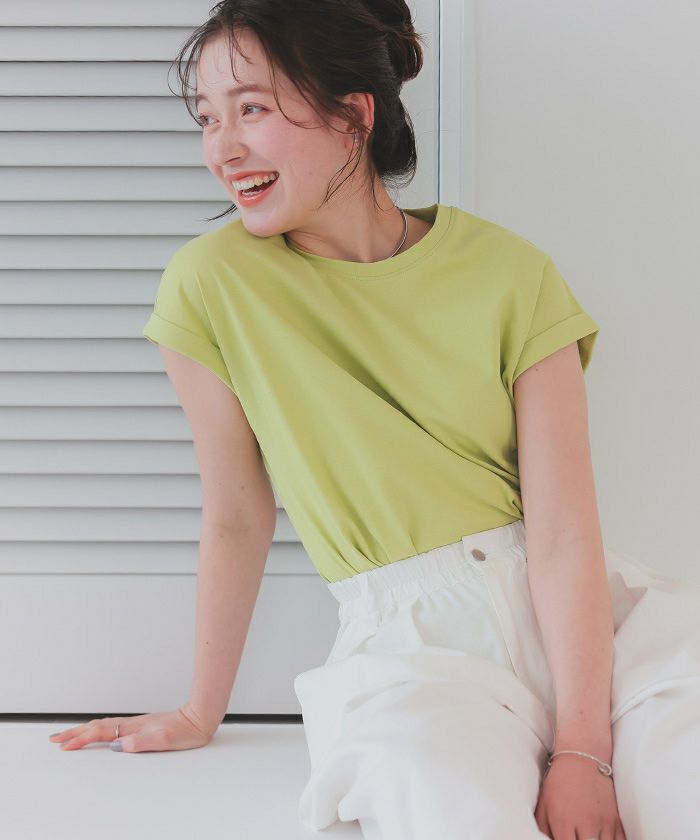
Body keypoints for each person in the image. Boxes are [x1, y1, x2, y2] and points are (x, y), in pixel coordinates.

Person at [48, 2, 700, 839]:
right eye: (208, 119)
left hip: (585, 623)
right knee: (440, 799)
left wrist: (583, 748)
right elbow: (237, 514)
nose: (222, 149)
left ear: (352, 116)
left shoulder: (510, 272)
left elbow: (564, 533)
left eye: (251, 108)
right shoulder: (211, 286)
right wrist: (200, 709)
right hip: (412, 651)